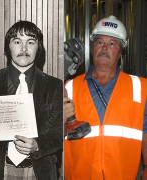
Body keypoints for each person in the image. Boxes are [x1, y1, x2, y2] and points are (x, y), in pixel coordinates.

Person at [64, 15, 147, 180]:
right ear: (92, 46)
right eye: (99, 42)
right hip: (79, 175)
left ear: (120, 51)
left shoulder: (141, 87)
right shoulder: (68, 88)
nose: (104, 48)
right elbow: (49, 136)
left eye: (112, 44)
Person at [0, 21, 63, 180]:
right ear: (8, 47)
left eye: (30, 42)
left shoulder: (55, 86)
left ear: (38, 48)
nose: (24, 49)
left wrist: (38, 145)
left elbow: (59, 132)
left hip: (39, 171)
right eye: (17, 42)